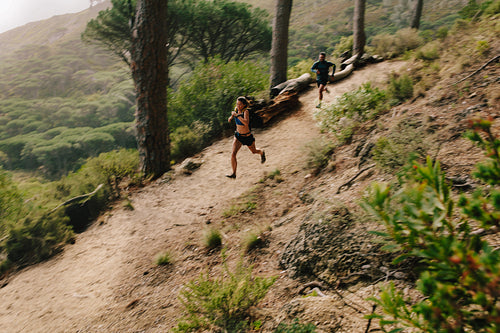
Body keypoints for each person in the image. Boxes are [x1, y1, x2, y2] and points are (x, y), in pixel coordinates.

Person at [226, 96, 266, 179]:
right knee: (233, 154)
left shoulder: (246, 112)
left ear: (244, 105)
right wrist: (231, 118)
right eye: (237, 104)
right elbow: (232, 116)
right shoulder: (236, 109)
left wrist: (237, 116)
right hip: (238, 136)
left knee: (254, 151)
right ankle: (234, 174)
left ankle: (262, 152)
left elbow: (246, 123)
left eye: (240, 104)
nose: (238, 106)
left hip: (247, 137)